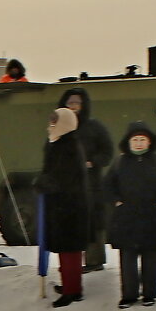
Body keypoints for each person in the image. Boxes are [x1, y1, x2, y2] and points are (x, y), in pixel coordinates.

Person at [104, 121, 156, 308]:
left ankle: (149, 294)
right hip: (127, 218)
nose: (138, 143)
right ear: (128, 142)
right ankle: (128, 295)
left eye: (142, 139)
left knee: (151, 258)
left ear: (149, 142)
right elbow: (107, 185)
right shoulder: (119, 162)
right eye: (135, 139)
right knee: (127, 259)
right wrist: (116, 201)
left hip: (152, 217)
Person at [37, 107, 90, 307]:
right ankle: (71, 286)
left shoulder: (69, 146)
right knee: (67, 249)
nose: (50, 125)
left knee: (69, 251)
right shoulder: (62, 143)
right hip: (64, 206)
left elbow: (62, 178)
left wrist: (43, 183)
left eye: (54, 121)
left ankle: (72, 290)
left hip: (69, 208)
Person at [58, 87, 114, 273]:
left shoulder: (94, 127)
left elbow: (107, 152)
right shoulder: (60, 127)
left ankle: (94, 260)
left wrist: (92, 162)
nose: (73, 106)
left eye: (77, 103)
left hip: (91, 183)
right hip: (67, 183)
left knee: (93, 223)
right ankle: (70, 263)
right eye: (70, 102)